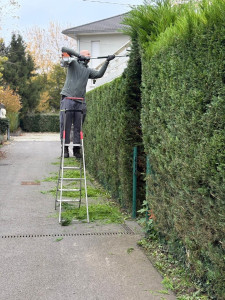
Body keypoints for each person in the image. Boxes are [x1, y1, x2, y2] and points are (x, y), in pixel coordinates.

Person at [60, 47, 115, 158]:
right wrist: (77, 55)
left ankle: (76, 150)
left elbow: (99, 74)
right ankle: (65, 149)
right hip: (68, 99)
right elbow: (64, 49)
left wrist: (107, 61)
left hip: (80, 102)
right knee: (65, 125)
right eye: (87, 53)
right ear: (81, 55)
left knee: (78, 127)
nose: (89, 55)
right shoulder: (72, 63)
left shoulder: (88, 70)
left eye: (90, 54)